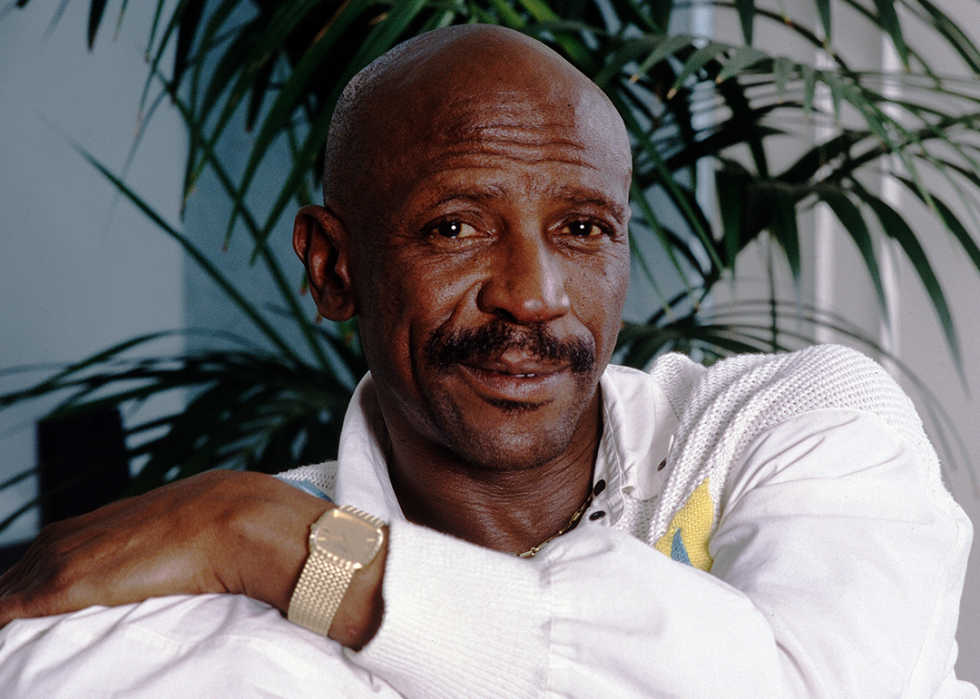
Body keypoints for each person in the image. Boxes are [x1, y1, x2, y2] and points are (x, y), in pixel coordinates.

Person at [0, 24, 975, 699]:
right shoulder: (191, 601)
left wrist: (270, 543)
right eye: (456, 226)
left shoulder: (791, 428)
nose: (534, 293)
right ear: (335, 268)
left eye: (583, 227)